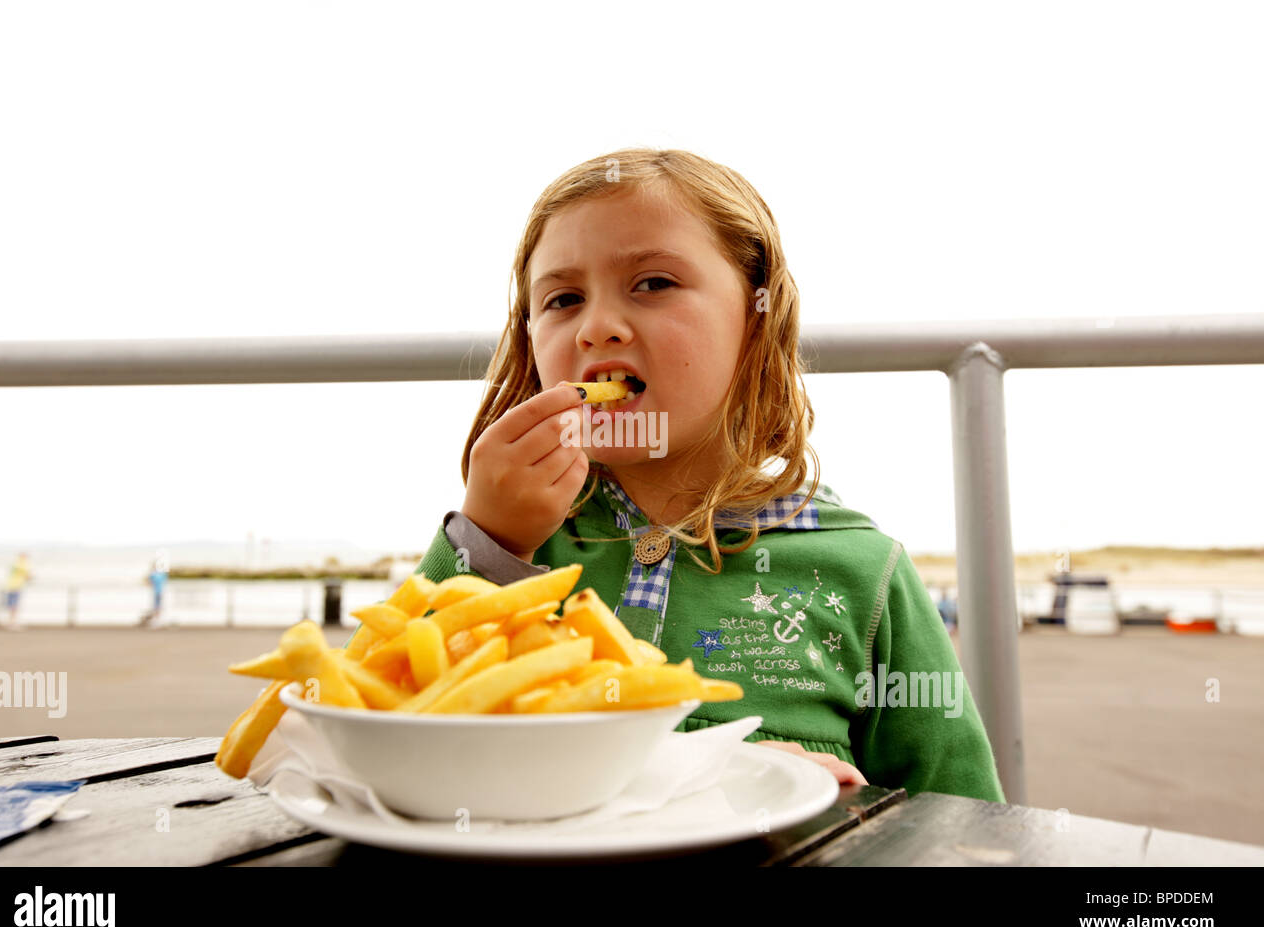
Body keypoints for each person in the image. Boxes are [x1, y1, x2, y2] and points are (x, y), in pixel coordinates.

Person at [383, 148, 1004, 802]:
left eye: (652, 283)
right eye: (563, 299)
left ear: (756, 317)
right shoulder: (510, 552)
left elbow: (962, 825)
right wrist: (489, 546)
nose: (595, 328)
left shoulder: (862, 572)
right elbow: (388, 733)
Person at [3, 552, 31, 630]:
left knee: (11, 605)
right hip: (16, 587)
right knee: (14, 606)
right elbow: (28, 577)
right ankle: (12, 624)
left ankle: (10, 623)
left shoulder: (14, 564)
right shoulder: (23, 565)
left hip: (9, 586)